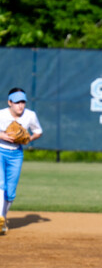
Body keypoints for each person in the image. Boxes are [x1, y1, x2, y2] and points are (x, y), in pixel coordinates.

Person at [0, 88, 43, 235]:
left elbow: (38, 131)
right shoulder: (1, 114)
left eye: (23, 102)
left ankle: (2, 220)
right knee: (1, 184)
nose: (20, 105)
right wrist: (2, 135)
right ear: (10, 102)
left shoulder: (30, 115)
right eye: (17, 102)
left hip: (16, 154)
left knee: (10, 192)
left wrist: (28, 139)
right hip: (0, 150)